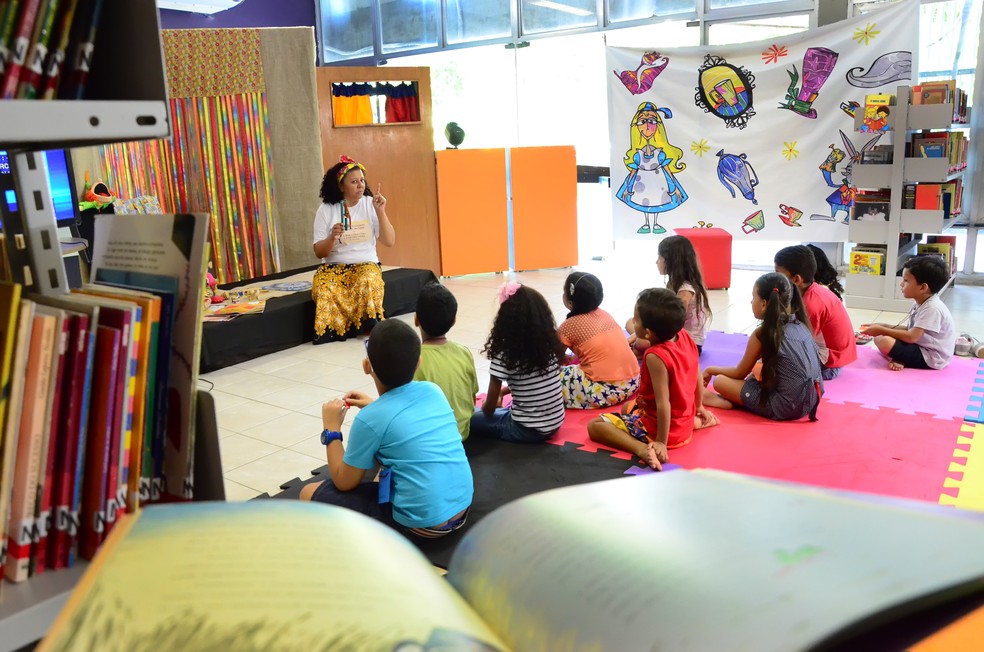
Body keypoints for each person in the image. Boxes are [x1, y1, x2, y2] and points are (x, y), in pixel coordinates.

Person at [299, 319, 473, 539]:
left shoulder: (369, 420)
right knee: (386, 469)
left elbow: (343, 481)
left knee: (307, 493)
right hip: (461, 509)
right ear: (418, 362)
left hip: (421, 527)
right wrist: (375, 406)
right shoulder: (433, 390)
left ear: (366, 366)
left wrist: (331, 428)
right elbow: (403, 422)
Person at [587, 288, 717, 470]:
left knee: (595, 426)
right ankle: (692, 424)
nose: (632, 321)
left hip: (659, 430)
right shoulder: (685, 336)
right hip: (683, 423)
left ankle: (641, 448)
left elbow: (663, 403)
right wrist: (699, 406)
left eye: (636, 319)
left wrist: (661, 442)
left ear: (648, 333)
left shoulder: (655, 356)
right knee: (627, 408)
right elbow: (696, 373)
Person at [703, 272, 823, 422]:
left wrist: (710, 370)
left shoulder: (763, 333)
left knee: (720, 381)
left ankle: (724, 400)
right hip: (811, 401)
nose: (751, 302)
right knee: (759, 367)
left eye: (753, 298)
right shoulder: (801, 325)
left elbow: (739, 372)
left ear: (765, 304)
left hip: (785, 408)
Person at [311, 155, 396, 343]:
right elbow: (319, 252)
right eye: (354, 182)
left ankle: (369, 324)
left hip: (366, 264)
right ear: (341, 186)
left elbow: (389, 241)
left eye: (362, 181)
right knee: (325, 287)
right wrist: (332, 237)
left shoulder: (370, 204)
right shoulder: (326, 209)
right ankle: (334, 330)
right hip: (334, 267)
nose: (360, 185)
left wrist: (381, 211)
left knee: (367, 280)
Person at [471, 282, 566, 442]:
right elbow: (533, 383)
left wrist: (487, 403)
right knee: (501, 414)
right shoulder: (547, 345)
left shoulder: (505, 354)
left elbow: (488, 410)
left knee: (468, 418)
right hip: (555, 423)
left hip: (526, 430)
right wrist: (503, 393)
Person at [557, 272, 640, 409]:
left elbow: (552, 356)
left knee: (548, 380)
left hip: (605, 391)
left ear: (570, 301)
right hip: (633, 382)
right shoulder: (604, 314)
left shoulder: (568, 326)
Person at [860, 255, 956, 371]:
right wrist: (883, 326)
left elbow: (912, 337)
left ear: (922, 288)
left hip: (932, 357)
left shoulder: (932, 308)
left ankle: (901, 358)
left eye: (906, 281)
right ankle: (901, 356)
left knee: (884, 341)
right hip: (921, 345)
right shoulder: (922, 302)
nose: (901, 284)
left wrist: (881, 330)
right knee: (879, 337)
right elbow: (911, 330)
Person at [775, 245, 856, 380]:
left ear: (796, 279)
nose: (775, 278)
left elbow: (798, 343)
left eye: (778, 274)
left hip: (829, 363)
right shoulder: (811, 289)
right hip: (831, 355)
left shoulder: (811, 304)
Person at [413, 282, 479, 440]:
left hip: (430, 441)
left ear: (416, 320)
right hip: (463, 433)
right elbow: (472, 398)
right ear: (454, 321)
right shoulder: (464, 351)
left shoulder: (412, 359)